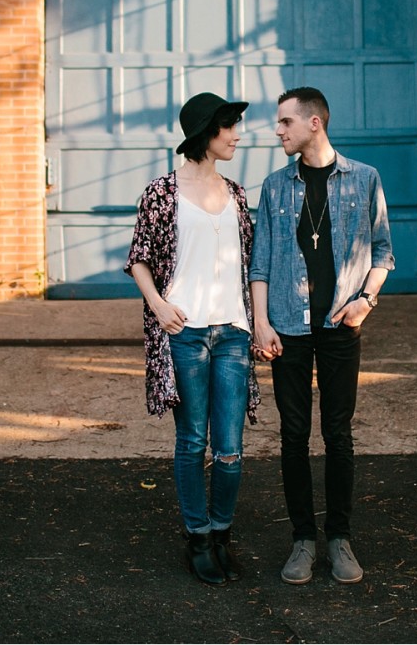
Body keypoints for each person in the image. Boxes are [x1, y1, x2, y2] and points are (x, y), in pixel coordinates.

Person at [248, 86, 393, 585]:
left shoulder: (364, 179)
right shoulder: (273, 186)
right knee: (292, 436)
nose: (278, 130)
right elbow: (260, 262)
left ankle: (340, 538)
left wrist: (366, 301)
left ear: (314, 123)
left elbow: (383, 252)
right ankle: (303, 540)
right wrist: (261, 322)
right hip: (288, 326)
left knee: (338, 434)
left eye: (285, 122)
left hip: (339, 325)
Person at [126, 91, 261, 586]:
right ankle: (198, 536)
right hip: (184, 332)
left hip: (232, 334)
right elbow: (139, 258)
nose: (238, 135)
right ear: (208, 133)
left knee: (230, 448)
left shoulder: (238, 194)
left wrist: (257, 322)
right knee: (192, 440)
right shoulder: (161, 192)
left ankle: (222, 532)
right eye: (230, 127)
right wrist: (159, 306)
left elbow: (253, 267)